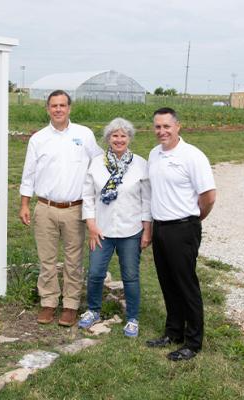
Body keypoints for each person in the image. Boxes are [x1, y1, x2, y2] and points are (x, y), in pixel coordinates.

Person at [19, 89, 102, 327]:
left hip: (75, 209)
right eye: (53, 106)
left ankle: (71, 305)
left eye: (62, 105)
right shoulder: (38, 139)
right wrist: (25, 204)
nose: (58, 110)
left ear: (69, 108)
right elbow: (28, 174)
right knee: (47, 258)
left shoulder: (84, 135)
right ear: (47, 109)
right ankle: (48, 301)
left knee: (73, 260)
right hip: (45, 208)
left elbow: (98, 164)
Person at [145, 107, 216, 361]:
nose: (162, 131)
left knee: (186, 285)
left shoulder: (192, 156)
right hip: (161, 228)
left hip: (183, 228)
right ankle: (173, 332)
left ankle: (193, 342)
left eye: (166, 126)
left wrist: (195, 219)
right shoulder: (154, 154)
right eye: (157, 127)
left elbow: (208, 196)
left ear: (178, 126)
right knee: (167, 282)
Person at [77, 118, 152, 337]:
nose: (119, 140)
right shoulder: (97, 163)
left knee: (130, 276)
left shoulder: (140, 164)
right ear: (108, 138)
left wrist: (147, 230)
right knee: (95, 273)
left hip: (131, 230)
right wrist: (91, 225)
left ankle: (132, 318)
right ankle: (93, 310)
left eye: (123, 136)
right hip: (101, 231)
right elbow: (88, 196)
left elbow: (147, 200)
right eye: (114, 135)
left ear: (129, 138)